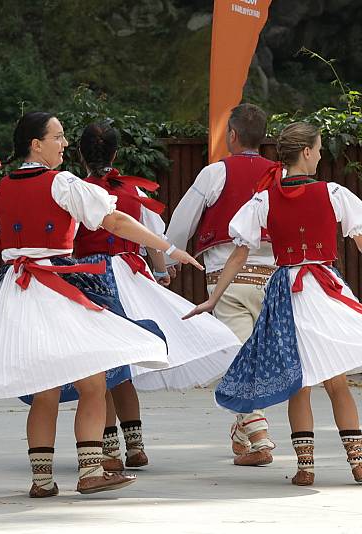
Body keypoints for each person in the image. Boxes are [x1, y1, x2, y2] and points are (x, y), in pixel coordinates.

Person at [0, 111, 202, 497]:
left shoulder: (1, 189)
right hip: (57, 285)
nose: (64, 144)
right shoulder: (62, 184)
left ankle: (42, 480)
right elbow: (115, 222)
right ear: (35, 144)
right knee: (92, 380)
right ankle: (91, 471)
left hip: (16, 292)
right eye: (57, 137)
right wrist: (170, 247)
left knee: (45, 389)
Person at [185, 122, 362, 486]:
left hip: (286, 292)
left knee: (300, 384)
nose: (320, 154)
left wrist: (213, 297)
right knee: (336, 382)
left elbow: (238, 254)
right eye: (318, 148)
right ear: (308, 152)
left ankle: (305, 467)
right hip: (324, 289)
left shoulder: (264, 200)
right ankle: (357, 462)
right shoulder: (333, 193)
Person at [72, 122, 241, 471]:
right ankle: (135, 446)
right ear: (117, 154)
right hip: (131, 276)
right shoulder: (134, 193)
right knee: (124, 368)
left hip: (88, 278)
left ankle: (108, 451)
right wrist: (161, 274)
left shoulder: (74, 192)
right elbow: (152, 236)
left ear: (79, 155)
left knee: (101, 366)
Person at [165, 103, 277, 466]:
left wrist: (168, 261)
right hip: (273, 278)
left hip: (226, 281)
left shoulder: (215, 173)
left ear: (231, 135)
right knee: (256, 359)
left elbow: (183, 221)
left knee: (235, 359)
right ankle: (243, 435)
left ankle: (258, 434)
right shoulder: (280, 174)